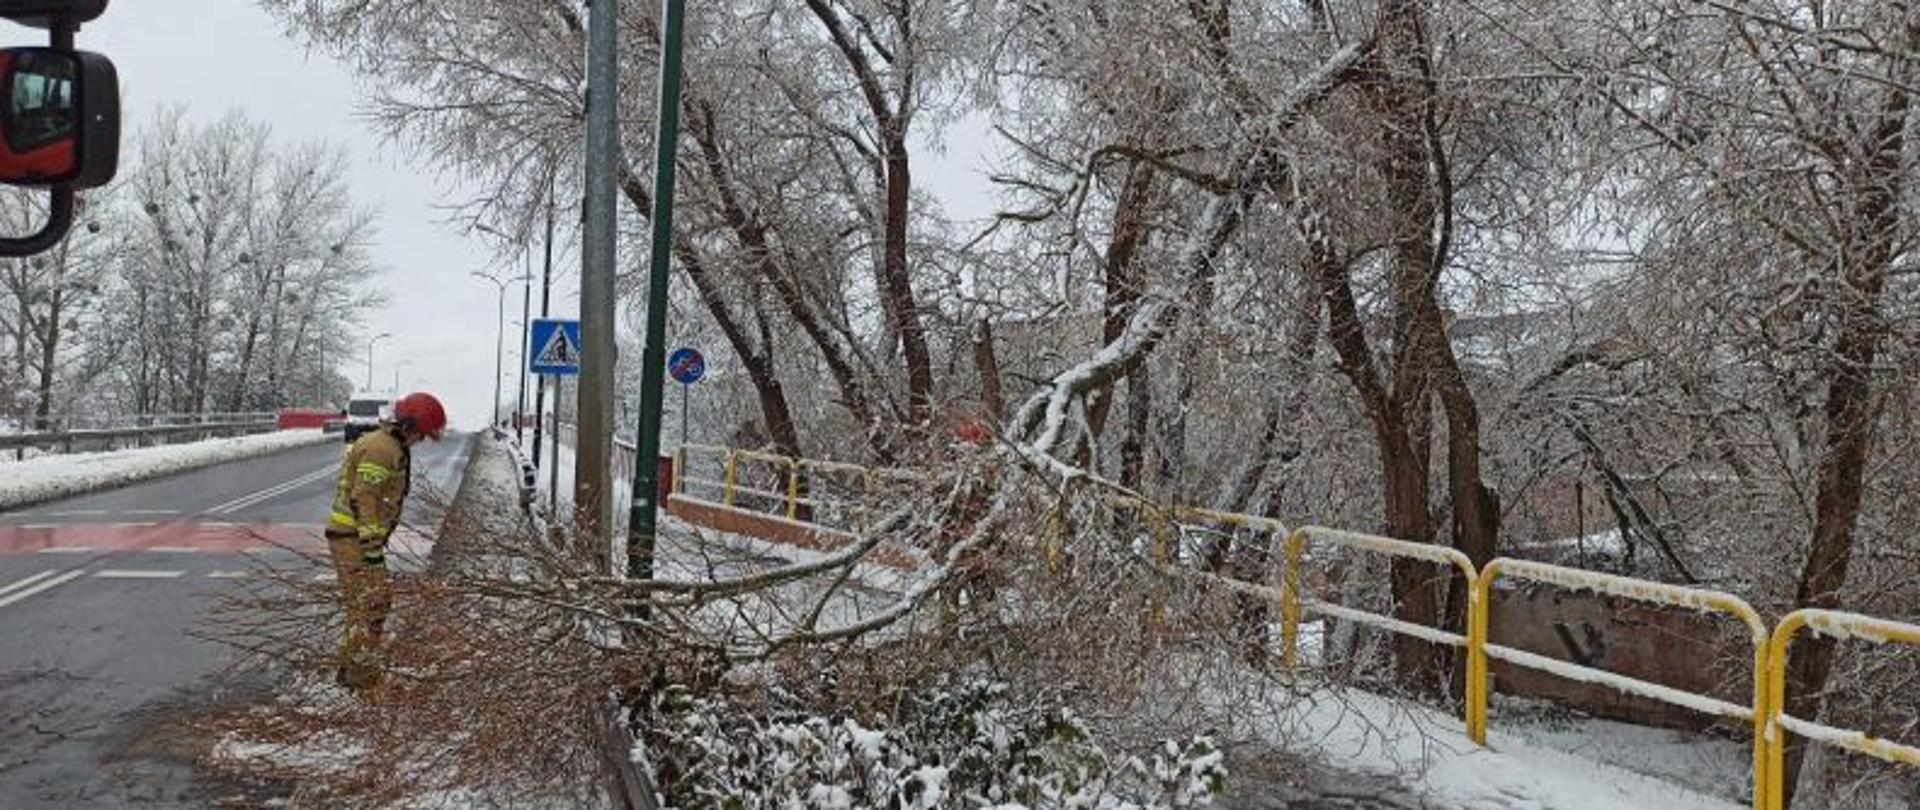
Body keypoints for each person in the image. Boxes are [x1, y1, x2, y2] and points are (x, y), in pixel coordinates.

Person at [324, 391, 447, 691]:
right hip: (352, 538)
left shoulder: (392, 445)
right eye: (422, 435)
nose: (421, 441)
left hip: (357, 538)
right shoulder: (381, 449)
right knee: (370, 605)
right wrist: (371, 550)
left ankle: (353, 671)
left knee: (372, 604)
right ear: (409, 426)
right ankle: (359, 679)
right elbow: (364, 498)